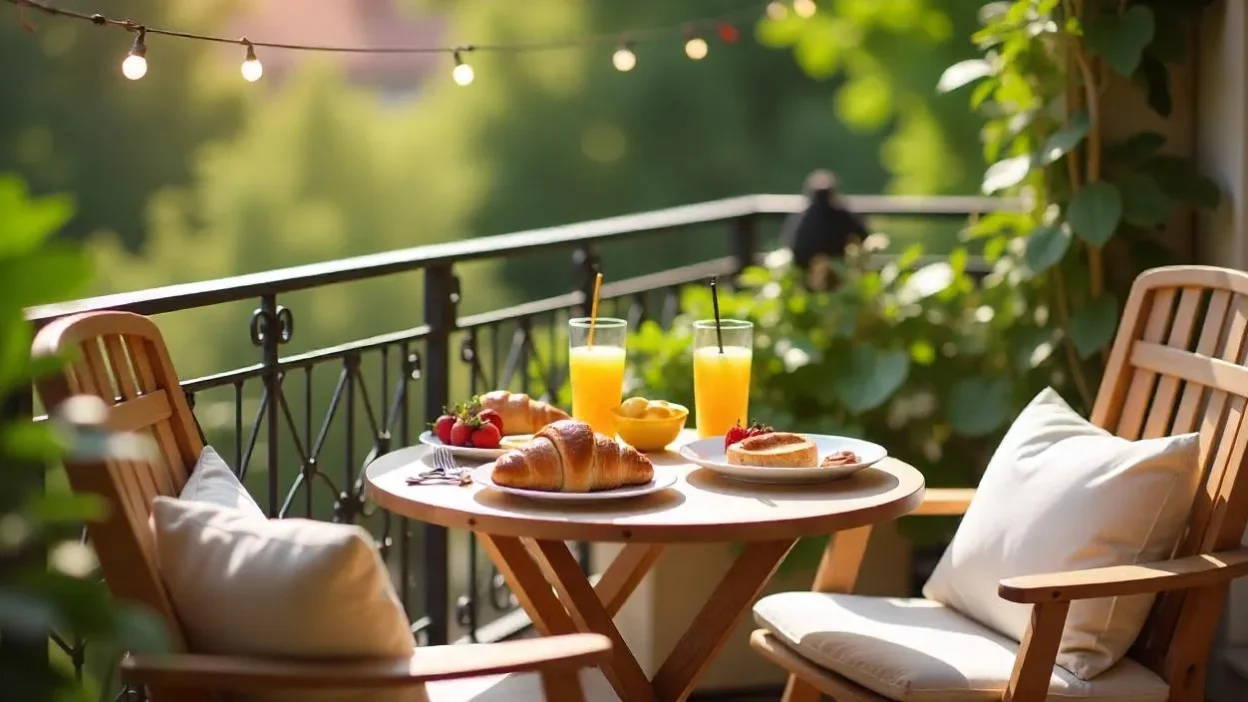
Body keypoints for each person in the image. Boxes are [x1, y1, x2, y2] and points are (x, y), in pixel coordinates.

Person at [782, 170, 868, 290]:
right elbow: (862, 234)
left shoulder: (801, 217)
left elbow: (790, 243)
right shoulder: (841, 215)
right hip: (837, 273)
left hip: (807, 275)